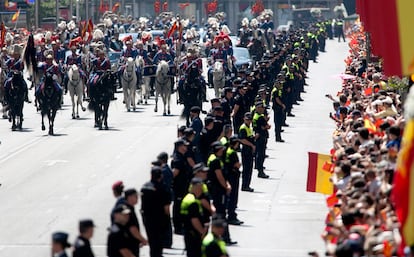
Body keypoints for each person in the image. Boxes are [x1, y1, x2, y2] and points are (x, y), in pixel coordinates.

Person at [141, 166, 172, 257]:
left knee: (152, 241)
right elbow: (166, 208)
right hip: (159, 219)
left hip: (147, 219)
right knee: (158, 244)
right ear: (161, 176)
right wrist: (167, 221)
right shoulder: (163, 188)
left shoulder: (145, 187)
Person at [181, 177, 207, 257]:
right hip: (194, 233)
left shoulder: (188, 197)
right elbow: (194, 220)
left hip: (188, 231)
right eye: (200, 187)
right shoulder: (193, 202)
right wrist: (202, 232)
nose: (202, 190)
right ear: (196, 187)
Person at [171, 139, 191, 235]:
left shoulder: (182, 156)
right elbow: (174, 173)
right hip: (179, 186)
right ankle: (178, 227)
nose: (186, 147)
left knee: (181, 206)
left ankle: (180, 225)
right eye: (184, 146)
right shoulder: (178, 159)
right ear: (179, 147)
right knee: (178, 207)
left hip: (183, 185)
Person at [124, 188, 148, 256]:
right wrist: (142, 239)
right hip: (129, 244)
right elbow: (132, 228)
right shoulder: (127, 210)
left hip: (132, 243)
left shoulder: (130, 207)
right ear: (129, 197)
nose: (138, 198)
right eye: (136, 196)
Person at [225, 136, 243, 225]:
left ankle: (231, 214)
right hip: (233, 176)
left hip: (229, 175)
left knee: (230, 197)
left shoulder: (228, 151)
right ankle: (232, 216)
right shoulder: (232, 153)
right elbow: (237, 165)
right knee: (233, 197)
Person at [252, 102, 270, 179]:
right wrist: (267, 126)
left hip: (259, 136)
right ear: (258, 108)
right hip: (261, 137)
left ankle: (259, 168)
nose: (263, 109)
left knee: (259, 154)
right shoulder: (259, 117)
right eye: (262, 108)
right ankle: (260, 171)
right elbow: (266, 126)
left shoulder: (257, 116)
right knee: (261, 154)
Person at [238, 112, 256, 192]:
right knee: (246, 169)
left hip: (249, 151)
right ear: (244, 119)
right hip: (246, 150)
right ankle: (245, 186)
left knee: (249, 169)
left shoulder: (249, 127)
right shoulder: (243, 128)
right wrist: (252, 145)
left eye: (250, 120)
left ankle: (247, 185)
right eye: (247, 119)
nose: (248, 121)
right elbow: (242, 139)